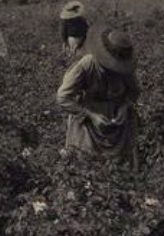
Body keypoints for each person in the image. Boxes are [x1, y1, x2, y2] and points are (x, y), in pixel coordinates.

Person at [56, 24, 141, 170]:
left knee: (121, 167)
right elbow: (63, 97)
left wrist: (124, 107)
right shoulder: (86, 65)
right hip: (88, 126)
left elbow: (134, 91)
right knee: (85, 165)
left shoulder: (124, 69)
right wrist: (90, 115)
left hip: (117, 125)